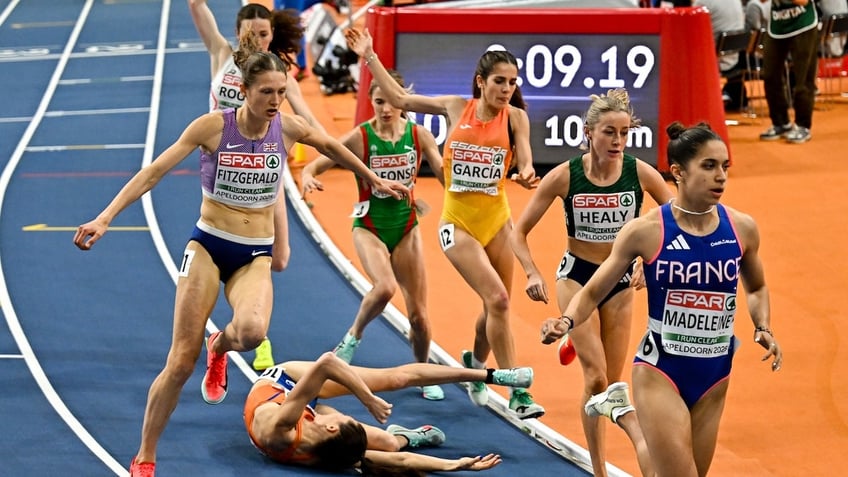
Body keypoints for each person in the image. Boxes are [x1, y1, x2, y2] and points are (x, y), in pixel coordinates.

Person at [73, 51, 408, 477]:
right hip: (210, 245)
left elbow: (331, 145)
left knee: (252, 333)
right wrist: (106, 217)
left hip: (255, 252)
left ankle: (221, 348)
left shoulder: (288, 128)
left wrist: (374, 179)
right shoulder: (213, 127)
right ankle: (145, 456)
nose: (275, 100)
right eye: (266, 92)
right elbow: (154, 172)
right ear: (244, 91)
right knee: (179, 362)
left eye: (282, 92)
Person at [541, 121, 783, 477]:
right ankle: (627, 408)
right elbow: (593, 289)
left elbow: (758, 287)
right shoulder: (647, 231)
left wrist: (763, 325)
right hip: (660, 370)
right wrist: (566, 320)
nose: (720, 177)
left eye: (724, 167)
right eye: (709, 166)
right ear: (678, 172)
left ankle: (624, 413)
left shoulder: (742, 228)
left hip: (715, 374)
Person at [344, 28, 545, 419]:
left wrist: (526, 172)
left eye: (512, 83)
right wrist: (369, 55)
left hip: (497, 221)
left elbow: (526, 160)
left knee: (494, 311)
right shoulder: (456, 107)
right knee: (499, 300)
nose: (506, 89)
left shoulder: (516, 117)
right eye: (499, 82)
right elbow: (401, 99)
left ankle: (474, 363)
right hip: (458, 225)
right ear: (481, 82)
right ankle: (518, 392)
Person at [510, 88, 671, 477]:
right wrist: (532, 271)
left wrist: (649, 262)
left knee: (611, 385)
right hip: (576, 278)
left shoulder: (640, 173)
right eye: (609, 133)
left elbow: (675, 221)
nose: (618, 142)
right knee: (596, 377)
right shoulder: (566, 176)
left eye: (624, 133)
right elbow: (518, 232)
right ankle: (599, 470)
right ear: (588, 133)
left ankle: (576, 338)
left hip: (617, 286)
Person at [188, 0, 328, 370]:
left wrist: (317, 163)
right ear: (238, 34)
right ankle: (256, 338)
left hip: (267, 176)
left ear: (272, 36)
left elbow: (312, 125)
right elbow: (195, 6)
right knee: (244, 253)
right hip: (225, 172)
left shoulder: (279, 78)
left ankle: (240, 320)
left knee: (280, 260)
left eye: (264, 34)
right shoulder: (222, 55)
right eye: (251, 34)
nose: (258, 40)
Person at [300, 70, 448, 401]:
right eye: (379, 102)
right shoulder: (360, 138)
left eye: (392, 101)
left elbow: (444, 176)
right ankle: (352, 337)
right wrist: (308, 176)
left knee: (420, 318)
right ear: (370, 101)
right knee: (384, 288)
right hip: (369, 226)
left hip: (407, 226)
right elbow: (317, 164)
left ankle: (422, 373)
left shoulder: (419, 135)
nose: (385, 109)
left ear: (402, 100)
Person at [246, 351, 534, 473]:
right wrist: (454, 464)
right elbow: (402, 459)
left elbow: (326, 364)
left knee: (395, 379)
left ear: (331, 427)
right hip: (307, 417)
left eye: (348, 419)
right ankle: (406, 435)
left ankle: (489, 376)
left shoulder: (281, 427)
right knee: (389, 443)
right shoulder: (330, 455)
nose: (348, 415)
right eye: (348, 417)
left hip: (286, 384)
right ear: (331, 429)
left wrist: (368, 398)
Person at [759, 0, 819, 144]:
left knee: (803, 79)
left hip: (803, 23)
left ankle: (802, 125)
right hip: (778, 23)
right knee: (770, 75)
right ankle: (780, 122)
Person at [694, 0, 747, 110]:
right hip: (736, 55)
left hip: (713, 60)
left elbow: (690, 29)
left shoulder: (703, 2)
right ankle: (730, 93)